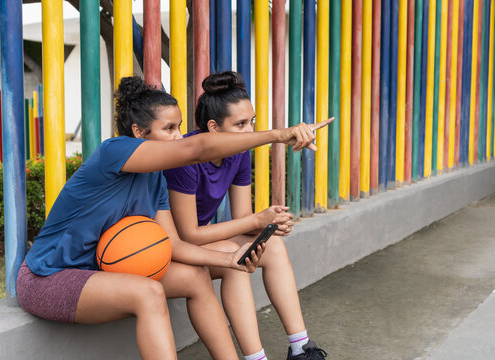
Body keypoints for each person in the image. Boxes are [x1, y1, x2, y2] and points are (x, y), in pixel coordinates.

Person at [17, 76, 330, 360]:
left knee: (194, 278)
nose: (179, 136)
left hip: (100, 271)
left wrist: (231, 259)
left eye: (179, 127)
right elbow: (196, 149)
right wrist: (279, 134)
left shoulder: (155, 179)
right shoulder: (114, 152)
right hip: (48, 277)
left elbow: (174, 245)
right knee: (148, 293)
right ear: (139, 132)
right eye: (169, 129)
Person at [164, 71, 331, 360]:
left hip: (199, 243)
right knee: (235, 255)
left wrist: (269, 224)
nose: (250, 130)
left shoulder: (239, 153)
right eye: (240, 124)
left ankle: (300, 348)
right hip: (172, 247)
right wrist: (255, 221)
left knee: (273, 246)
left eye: (251, 121)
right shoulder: (184, 159)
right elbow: (187, 234)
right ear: (214, 127)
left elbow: (241, 215)